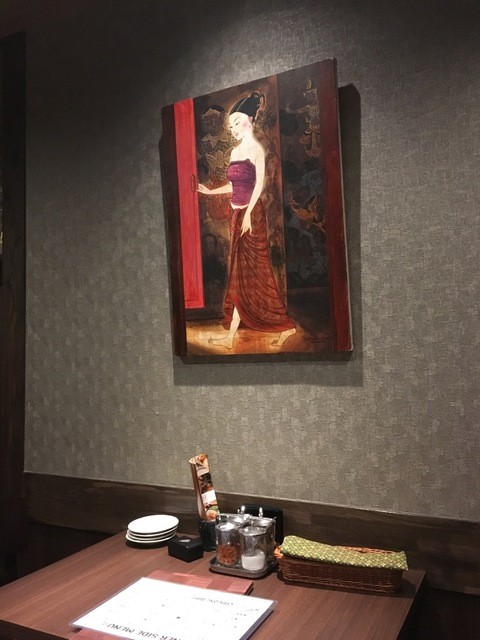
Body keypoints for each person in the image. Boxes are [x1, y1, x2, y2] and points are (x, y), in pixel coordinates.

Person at [198, 91, 296, 349]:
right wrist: (209, 191)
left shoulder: (256, 150)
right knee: (238, 275)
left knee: (258, 272)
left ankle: (284, 325)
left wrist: (249, 216)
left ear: (250, 120)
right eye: (230, 125)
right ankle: (230, 337)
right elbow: (233, 187)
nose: (232, 129)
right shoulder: (235, 152)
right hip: (236, 214)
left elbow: (258, 185)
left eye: (236, 122)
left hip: (253, 215)